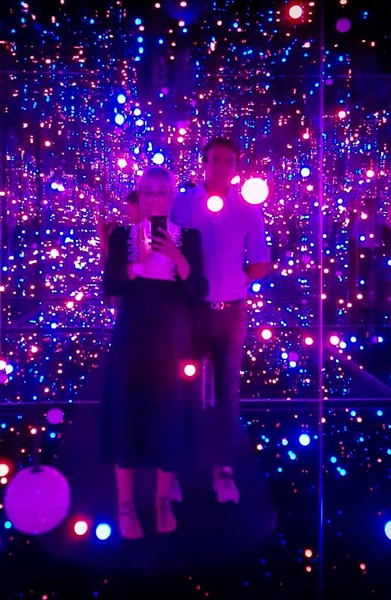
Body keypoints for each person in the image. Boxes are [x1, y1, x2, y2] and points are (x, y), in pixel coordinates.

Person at [101, 165, 208, 539]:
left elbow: (198, 291)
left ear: (172, 196)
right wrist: (138, 265)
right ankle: (125, 505)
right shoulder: (122, 235)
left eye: (162, 191)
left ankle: (163, 500)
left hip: (172, 334)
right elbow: (110, 284)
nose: (155, 198)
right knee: (127, 411)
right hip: (133, 330)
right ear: (140, 195)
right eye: (148, 191)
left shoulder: (189, 237)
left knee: (170, 411)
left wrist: (178, 259)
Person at [169, 137, 271, 504]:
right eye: (216, 160)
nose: (222, 167)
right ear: (205, 164)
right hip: (191, 312)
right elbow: (169, 251)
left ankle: (223, 470)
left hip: (231, 313)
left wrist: (237, 280)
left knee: (228, 393)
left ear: (236, 166)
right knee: (183, 389)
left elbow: (261, 260)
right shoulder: (183, 203)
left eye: (229, 160)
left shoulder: (246, 209)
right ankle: (176, 468)